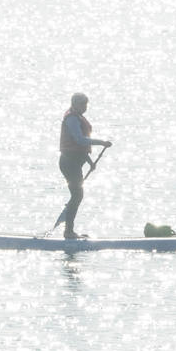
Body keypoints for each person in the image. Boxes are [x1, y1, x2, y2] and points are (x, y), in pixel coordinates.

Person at [59, 92, 112, 240]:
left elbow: (79, 147)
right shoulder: (71, 119)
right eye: (83, 104)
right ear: (75, 104)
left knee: (76, 195)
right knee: (77, 195)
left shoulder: (78, 117)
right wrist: (102, 142)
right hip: (69, 163)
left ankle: (69, 230)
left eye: (86, 104)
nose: (85, 107)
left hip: (76, 161)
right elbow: (80, 140)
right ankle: (68, 232)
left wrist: (89, 162)